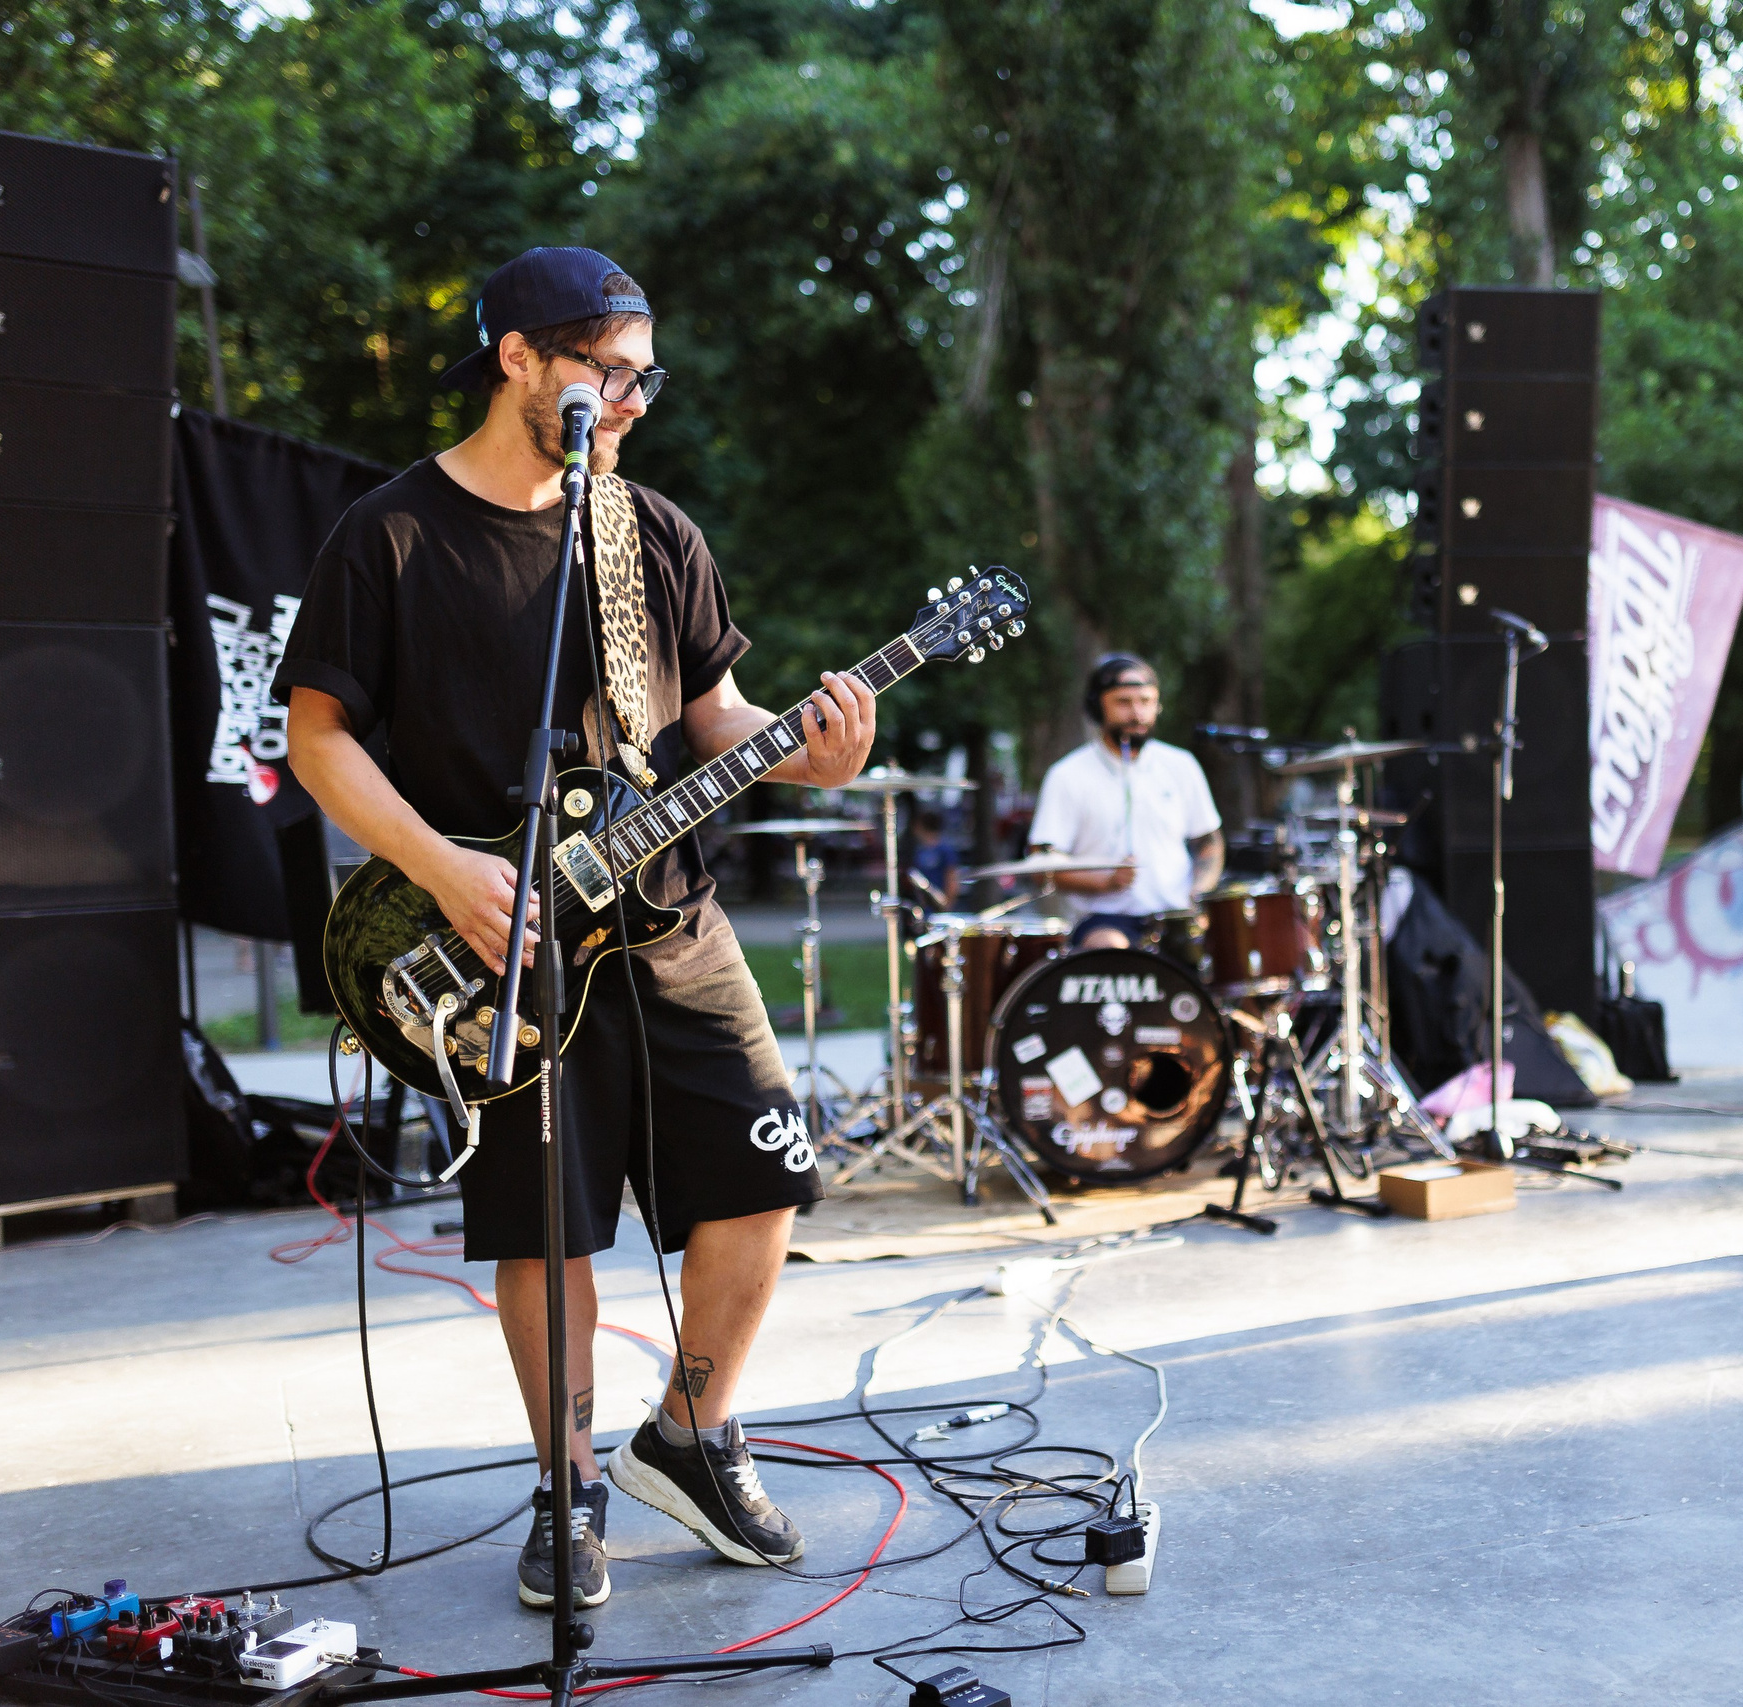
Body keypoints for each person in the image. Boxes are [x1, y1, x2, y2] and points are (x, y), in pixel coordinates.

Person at [277, 247, 878, 1612]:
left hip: (671, 920)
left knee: (763, 1176)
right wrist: (440, 868)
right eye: (610, 370)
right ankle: (568, 1485)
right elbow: (318, 739)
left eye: (643, 374)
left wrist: (818, 752)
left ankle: (690, 1431)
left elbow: (713, 718)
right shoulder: (391, 535)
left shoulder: (652, 532)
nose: (635, 397)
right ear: (520, 362)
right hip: (503, 936)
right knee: (546, 1228)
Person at [1027, 654, 1223, 948]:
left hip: (1176, 917)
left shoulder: (1181, 765)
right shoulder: (1067, 775)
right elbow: (1042, 864)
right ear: (1097, 707)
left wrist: (1199, 893)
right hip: (1102, 919)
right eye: (1123, 702)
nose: (1137, 713)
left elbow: (1209, 842)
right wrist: (1103, 881)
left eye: (1146, 701)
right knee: (1109, 947)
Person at [908, 807, 963, 908]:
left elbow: (952, 877)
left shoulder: (945, 850)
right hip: (924, 906)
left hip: (942, 904)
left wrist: (947, 904)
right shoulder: (919, 851)